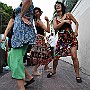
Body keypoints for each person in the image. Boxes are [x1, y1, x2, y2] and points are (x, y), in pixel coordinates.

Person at [47, 1, 82, 83]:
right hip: (61, 41)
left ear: (62, 7)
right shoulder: (55, 19)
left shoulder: (68, 15)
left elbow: (76, 23)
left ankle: (77, 75)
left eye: (59, 5)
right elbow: (55, 28)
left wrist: (76, 31)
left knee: (74, 56)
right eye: (56, 6)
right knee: (56, 58)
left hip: (71, 38)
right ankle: (53, 71)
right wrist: (64, 22)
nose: (57, 6)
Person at [6, 0, 36, 90]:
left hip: (23, 36)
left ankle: (21, 87)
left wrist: (22, 15)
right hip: (17, 36)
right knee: (11, 57)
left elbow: (28, 1)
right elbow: (12, 20)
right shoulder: (19, 6)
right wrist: (5, 34)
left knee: (16, 61)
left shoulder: (26, 4)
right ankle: (29, 77)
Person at [30, 7, 52, 75]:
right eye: (35, 12)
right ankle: (34, 70)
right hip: (40, 39)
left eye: (37, 11)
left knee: (47, 53)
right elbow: (48, 30)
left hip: (40, 39)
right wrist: (48, 21)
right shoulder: (38, 21)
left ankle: (46, 66)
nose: (37, 13)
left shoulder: (38, 20)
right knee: (41, 55)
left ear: (40, 12)